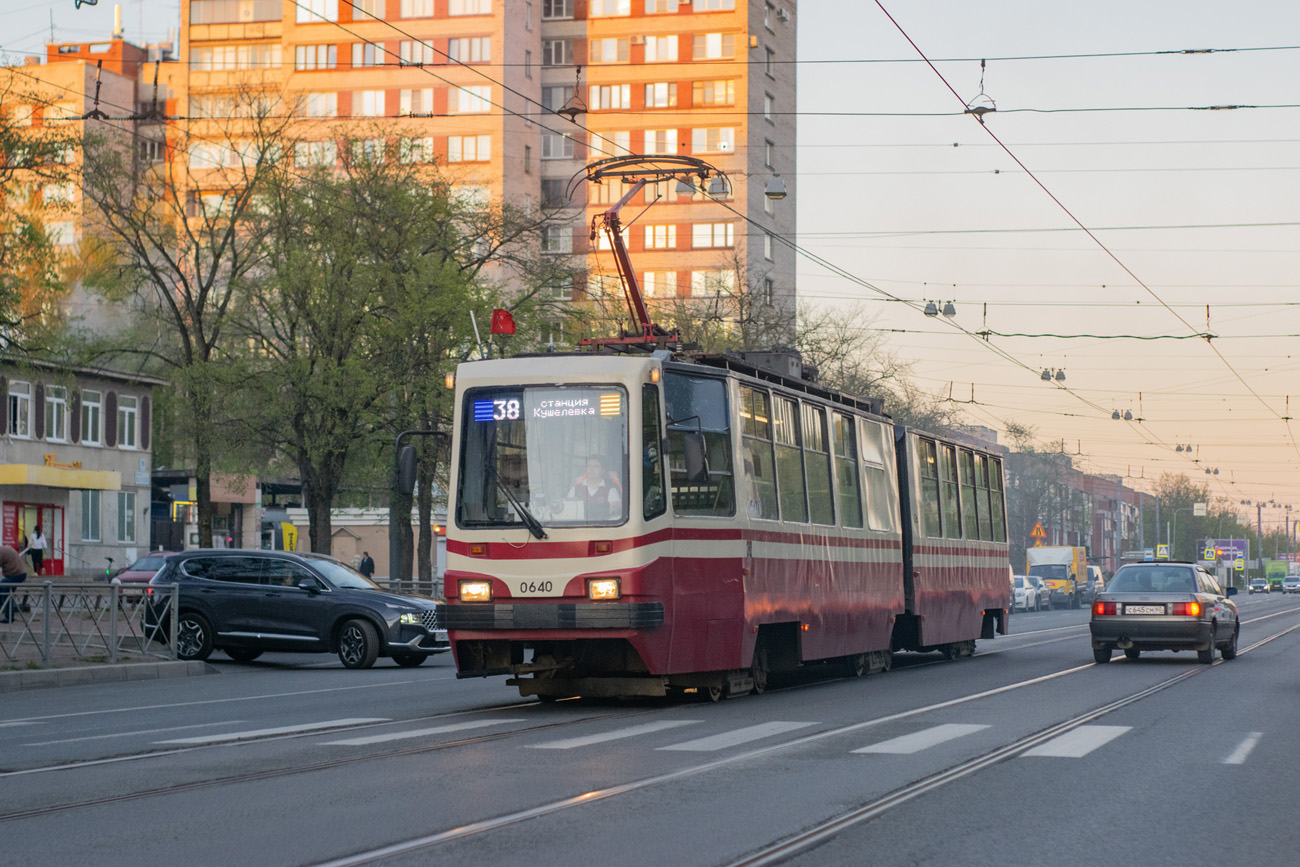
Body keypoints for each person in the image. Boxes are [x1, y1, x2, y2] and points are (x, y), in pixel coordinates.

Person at [569, 455, 622, 520]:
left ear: (603, 470)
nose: (591, 470)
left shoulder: (610, 488)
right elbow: (569, 510)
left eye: (596, 466)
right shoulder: (575, 489)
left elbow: (616, 508)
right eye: (588, 466)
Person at [0, 544, 28, 623]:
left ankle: (8, 617)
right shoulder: (5, 549)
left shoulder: (1, 552)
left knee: (7, 594)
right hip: (20, 573)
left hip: (16, 574)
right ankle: (5, 609)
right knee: (4, 589)